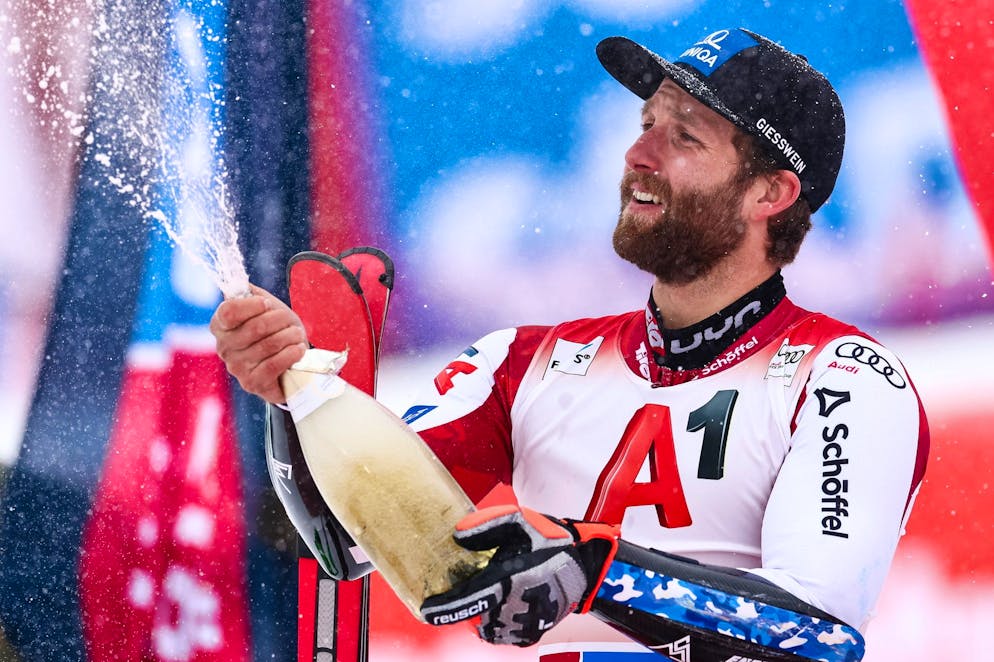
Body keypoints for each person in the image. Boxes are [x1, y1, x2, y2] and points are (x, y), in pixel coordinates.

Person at [211, 27, 928, 662]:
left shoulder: (847, 379)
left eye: (685, 136)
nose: (638, 152)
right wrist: (296, 393)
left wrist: (596, 568)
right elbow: (341, 540)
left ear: (769, 194)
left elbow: (818, 637)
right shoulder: (522, 366)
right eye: (648, 123)